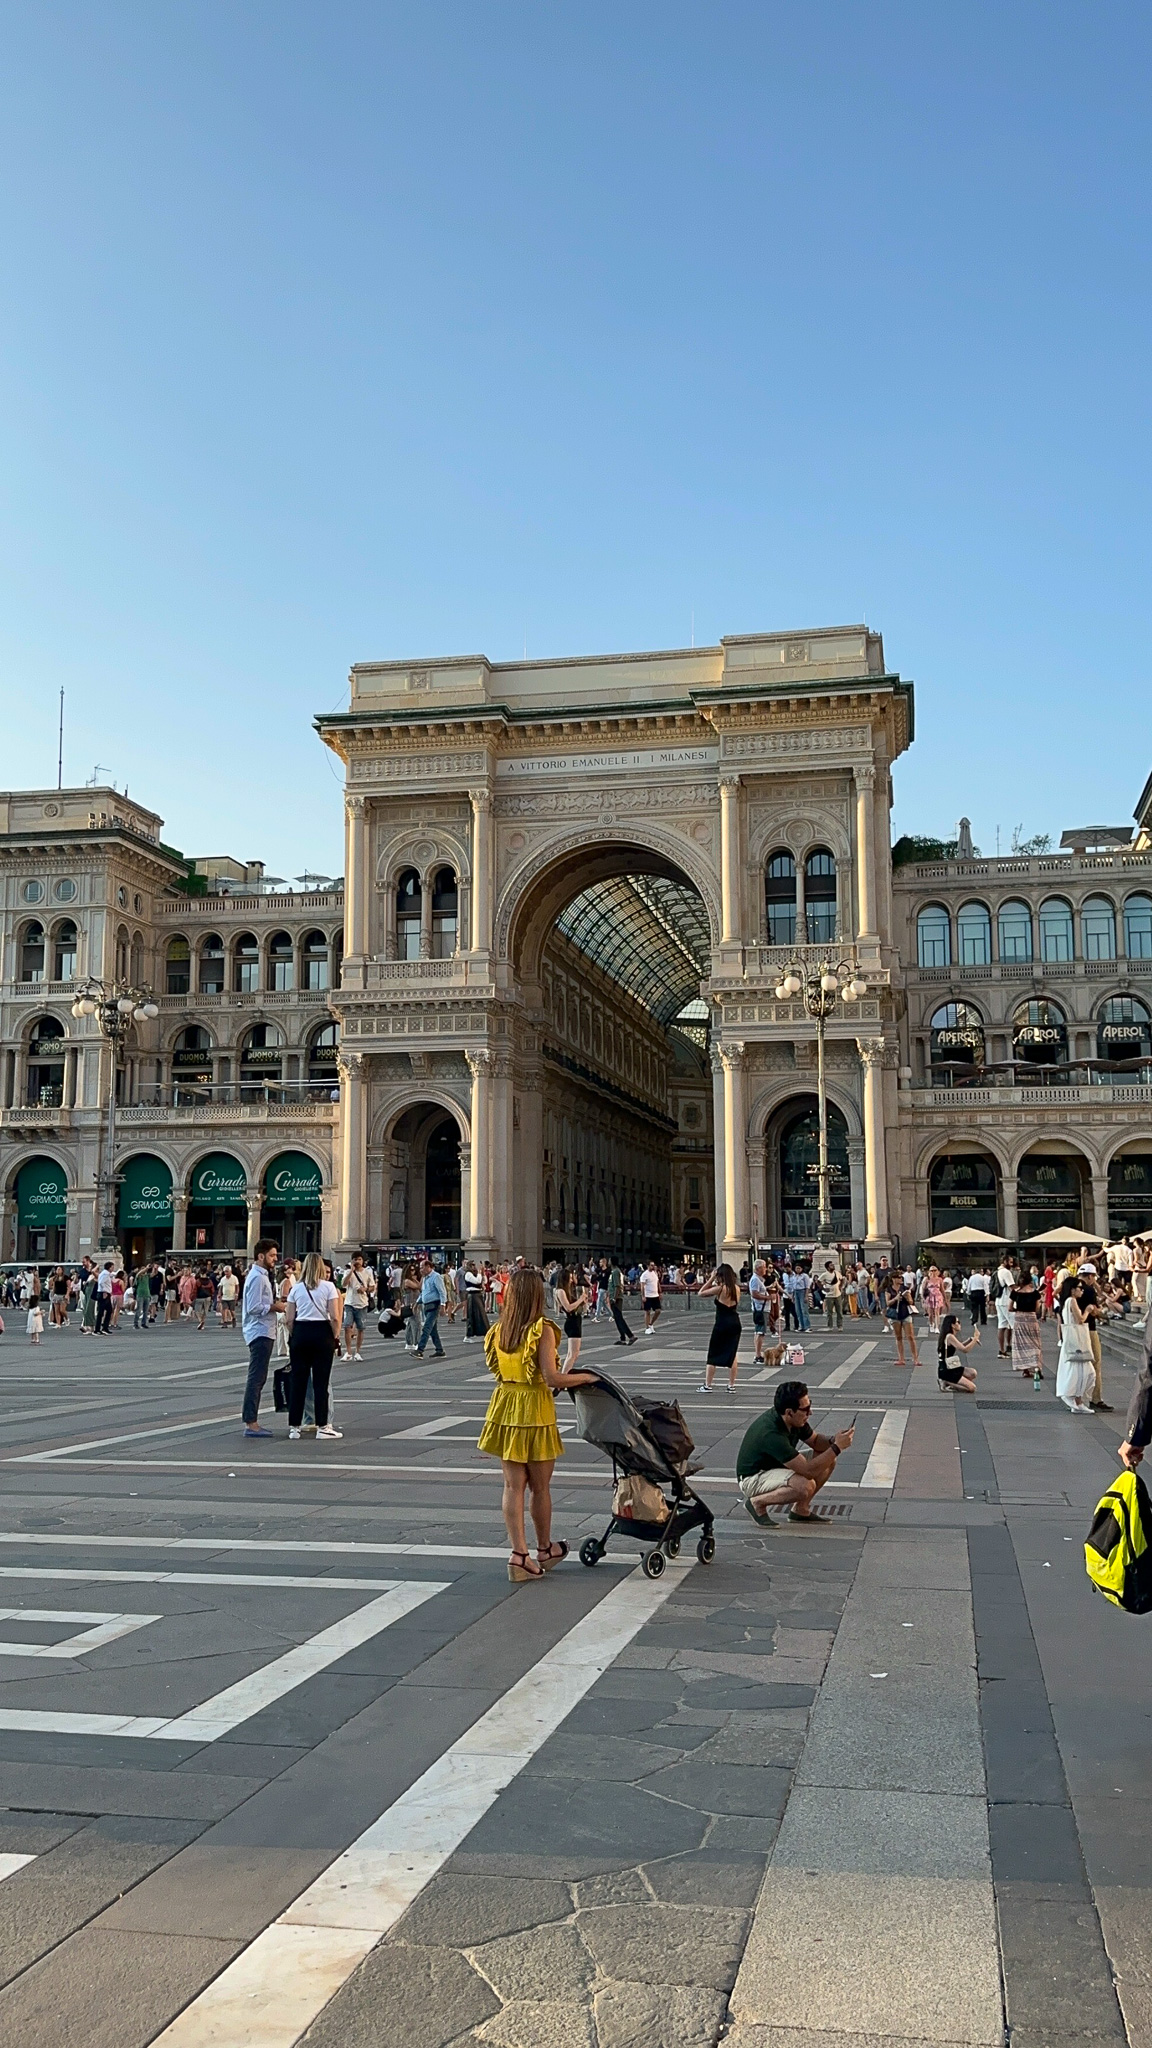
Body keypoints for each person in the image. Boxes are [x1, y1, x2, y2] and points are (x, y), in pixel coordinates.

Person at [477, 1266, 594, 1580]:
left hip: (505, 1406)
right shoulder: (541, 1329)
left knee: (513, 1486)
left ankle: (519, 1555)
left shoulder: (499, 1330)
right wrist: (586, 1377)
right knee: (540, 1488)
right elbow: (552, 1377)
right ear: (536, 1297)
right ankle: (544, 1548)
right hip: (535, 1409)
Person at [737, 1380, 855, 1524]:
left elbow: (816, 1441)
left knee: (828, 1460)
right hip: (753, 1478)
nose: (810, 1412)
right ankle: (757, 1503)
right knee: (804, 1485)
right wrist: (837, 1447)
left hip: (775, 1465)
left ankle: (800, 1510)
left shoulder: (795, 1420)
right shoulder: (771, 1433)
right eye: (805, 1409)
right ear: (789, 1412)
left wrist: (833, 1440)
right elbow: (808, 1471)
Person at [284, 1252, 342, 1439]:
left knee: (298, 1381)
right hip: (321, 1332)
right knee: (321, 1382)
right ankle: (322, 1426)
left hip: (301, 1331)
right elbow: (334, 1316)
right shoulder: (329, 1287)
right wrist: (334, 1335)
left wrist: (295, 1335)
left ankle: (294, 1427)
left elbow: (289, 1318)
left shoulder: (296, 1288)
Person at [240, 1238, 280, 1438]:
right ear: (261, 1256)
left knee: (259, 1376)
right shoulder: (257, 1277)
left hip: (264, 1330)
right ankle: (251, 1421)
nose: (275, 1259)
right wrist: (275, 1306)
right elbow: (254, 1307)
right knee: (256, 1377)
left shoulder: (262, 1276)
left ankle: (251, 1419)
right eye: (272, 1255)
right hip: (260, 1330)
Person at [698, 1263, 742, 1394]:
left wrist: (710, 1279)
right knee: (732, 1353)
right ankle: (731, 1385)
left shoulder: (721, 1288)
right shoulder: (736, 1288)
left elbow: (701, 1293)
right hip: (735, 1322)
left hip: (722, 1323)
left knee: (713, 1353)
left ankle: (708, 1384)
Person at [1056, 1277, 1094, 1413]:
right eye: (1079, 1288)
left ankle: (1077, 1401)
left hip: (1070, 1339)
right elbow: (1080, 1320)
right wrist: (1088, 1310)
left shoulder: (1066, 1302)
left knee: (1078, 1371)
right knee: (1084, 1372)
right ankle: (1077, 1400)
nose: (1081, 1290)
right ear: (1072, 1290)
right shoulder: (1071, 1301)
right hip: (1076, 1339)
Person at [1008, 1270, 1043, 1381]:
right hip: (1031, 1319)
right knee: (1034, 1344)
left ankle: (1025, 1369)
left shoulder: (1015, 1292)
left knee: (1021, 1344)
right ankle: (1037, 1366)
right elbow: (1037, 1308)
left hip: (1019, 1318)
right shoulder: (1035, 1292)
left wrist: (1017, 1309)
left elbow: (1009, 1307)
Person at [554, 1266, 587, 1372]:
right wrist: (580, 1300)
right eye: (570, 1278)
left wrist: (582, 1302)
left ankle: (564, 1377)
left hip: (576, 1320)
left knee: (573, 1353)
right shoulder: (560, 1291)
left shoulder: (568, 1290)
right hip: (572, 1321)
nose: (572, 1280)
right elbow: (568, 1307)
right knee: (572, 1354)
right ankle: (563, 1378)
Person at [937, 1312, 979, 1394]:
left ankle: (952, 1381)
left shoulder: (949, 1336)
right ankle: (947, 1382)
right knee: (972, 1388)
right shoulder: (950, 1336)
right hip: (947, 1370)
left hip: (951, 1367)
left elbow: (959, 1346)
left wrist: (969, 1340)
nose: (959, 1324)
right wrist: (975, 1338)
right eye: (957, 1322)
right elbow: (965, 1350)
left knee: (972, 1373)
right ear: (952, 1325)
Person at [414, 1258, 447, 1358]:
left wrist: (443, 1305)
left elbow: (442, 1291)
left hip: (434, 1305)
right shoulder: (425, 1278)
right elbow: (424, 1292)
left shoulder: (436, 1277)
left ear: (428, 1267)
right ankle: (439, 1350)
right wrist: (417, 1303)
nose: (420, 1270)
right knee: (433, 1330)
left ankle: (420, 1349)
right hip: (426, 1305)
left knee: (427, 1327)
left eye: (422, 1267)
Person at [886, 1269, 920, 1367]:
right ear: (893, 1279)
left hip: (905, 1313)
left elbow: (911, 1302)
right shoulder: (889, 1289)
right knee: (899, 1337)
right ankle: (901, 1358)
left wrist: (908, 1297)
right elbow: (888, 1303)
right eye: (899, 1277)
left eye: (901, 1277)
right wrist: (895, 1299)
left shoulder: (904, 1288)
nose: (901, 1279)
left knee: (910, 1336)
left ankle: (915, 1358)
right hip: (895, 1315)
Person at [342, 1253, 372, 1360]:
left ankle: (358, 1351)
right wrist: (351, 1271)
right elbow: (343, 1284)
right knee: (347, 1326)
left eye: (359, 1259)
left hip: (362, 1303)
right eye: (355, 1259)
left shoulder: (367, 1272)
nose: (357, 1261)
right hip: (349, 1303)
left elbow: (372, 1286)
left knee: (360, 1328)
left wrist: (366, 1289)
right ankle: (348, 1351)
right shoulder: (348, 1272)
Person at [993, 1257, 1016, 1358]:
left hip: (999, 1300)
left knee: (1001, 1326)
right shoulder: (1006, 1272)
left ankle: (1002, 1350)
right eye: (1010, 1262)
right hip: (1007, 1300)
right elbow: (1012, 1287)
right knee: (1016, 1325)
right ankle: (1017, 1349)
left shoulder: (998, 1271)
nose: (1011, 1264)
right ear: (1005, 1262)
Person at [749, 1259, 770, 1362]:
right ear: (758, 1268)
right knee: (760, 1331)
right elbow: (754, 1293)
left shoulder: (759, 1279)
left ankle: (758, 1353)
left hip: (762, 1308)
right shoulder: (755, 1280)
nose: (765, 1269)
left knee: (760, 1331)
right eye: (764, 1267)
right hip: (760, 1309)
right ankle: (757, 1355)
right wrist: (767, 1298)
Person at [463, 1260, 488, 1341]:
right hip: (472, 1295)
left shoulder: (476, 1274)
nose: (474, 1267)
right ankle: (469, 1335)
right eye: (472, 1265)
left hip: (478, 1294)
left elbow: (485, 1281)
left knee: (480, 1315)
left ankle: (482, 1332)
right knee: (472, 1315)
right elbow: (476, 1281)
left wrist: (483, 1274)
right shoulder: (468, 1274)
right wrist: (480, 1273)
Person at [820, 1259, 844, 1330]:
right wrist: (823, 1289)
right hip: (829, 1295)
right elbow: (818, 1281)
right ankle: (830, 1325)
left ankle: (840, 1325)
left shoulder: (837, 1273)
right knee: (829, 1312)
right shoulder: (825, 1274)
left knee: (839, 1311)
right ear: (827, 1267)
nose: (833, 1266)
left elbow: (842, 1279)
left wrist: (840, 1286)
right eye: (831, 1265)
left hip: (837, 1294)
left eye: (833, 1265)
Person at [640, 1260, 662, 1334]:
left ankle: (651, 1324)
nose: (653, 1267)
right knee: (647, 1311)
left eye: (653, 1265)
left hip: (655, 1295)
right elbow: (642, 1286)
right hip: (648, 1295)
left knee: (658, 1310)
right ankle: (647, 1327)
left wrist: (660, 1292)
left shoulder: (655, 1273)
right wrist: (643, 1296)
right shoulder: (644, 1275)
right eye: (651, 1265)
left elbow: (657, 1282)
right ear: (648, 1266)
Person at [93, 1261, 115, 1335]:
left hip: (106, 1293)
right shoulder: (105, 1274)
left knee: (109, 1310)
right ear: (109, 1267)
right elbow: (101, 1282)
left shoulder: (106, 1274)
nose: (113, 1268)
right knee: (101, 1312)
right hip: (103, 1293)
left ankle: (105, 1327)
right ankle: (97, 1329)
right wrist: (104, 1291)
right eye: (112, 1267)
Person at [218, 1264, 239, 1330]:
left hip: (232, 1297)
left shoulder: (234, 1278)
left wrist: (236, 1294)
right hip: (225, 1297)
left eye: (227, 1271)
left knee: (232, 1310)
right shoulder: (223, 1279)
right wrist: (219, 1294)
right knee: (225, 1310)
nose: (226, 1273)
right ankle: (225, 1322)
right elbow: (221, 1287)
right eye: (225, 1272)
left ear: (230, 1271)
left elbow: (237, 1286)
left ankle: (234, 1319)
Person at [133, 1264, 151, 1330]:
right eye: (142, 1269)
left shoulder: (147, 1276)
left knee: (145, 1310)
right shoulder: (138, 1276)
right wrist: (146, 1268)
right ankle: (135, 1323)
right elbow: (139, 1273)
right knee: (139, 1309)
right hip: (140, 1294)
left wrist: (155, 1268)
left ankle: (144, 1323)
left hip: (147, 1294)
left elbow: (153, 1274)